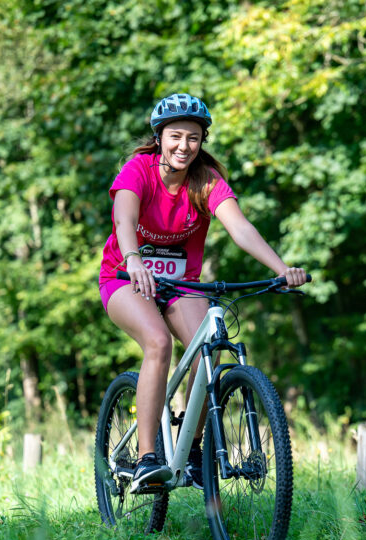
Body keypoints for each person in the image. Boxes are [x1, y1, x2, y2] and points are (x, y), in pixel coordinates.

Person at [98, 93, 307, 492]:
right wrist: (134, 258)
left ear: (202, 141)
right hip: (125, 278)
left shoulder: (206, 179)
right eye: (176, 136)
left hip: (180, 285)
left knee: (207, 344)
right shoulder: (137, 171)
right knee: (158, 343)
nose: (184, 146)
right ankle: (146, 458)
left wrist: (281, 269)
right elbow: (124, 219)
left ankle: (193, 453)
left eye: (193, 138)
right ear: (159, 137)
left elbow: (240, 228)